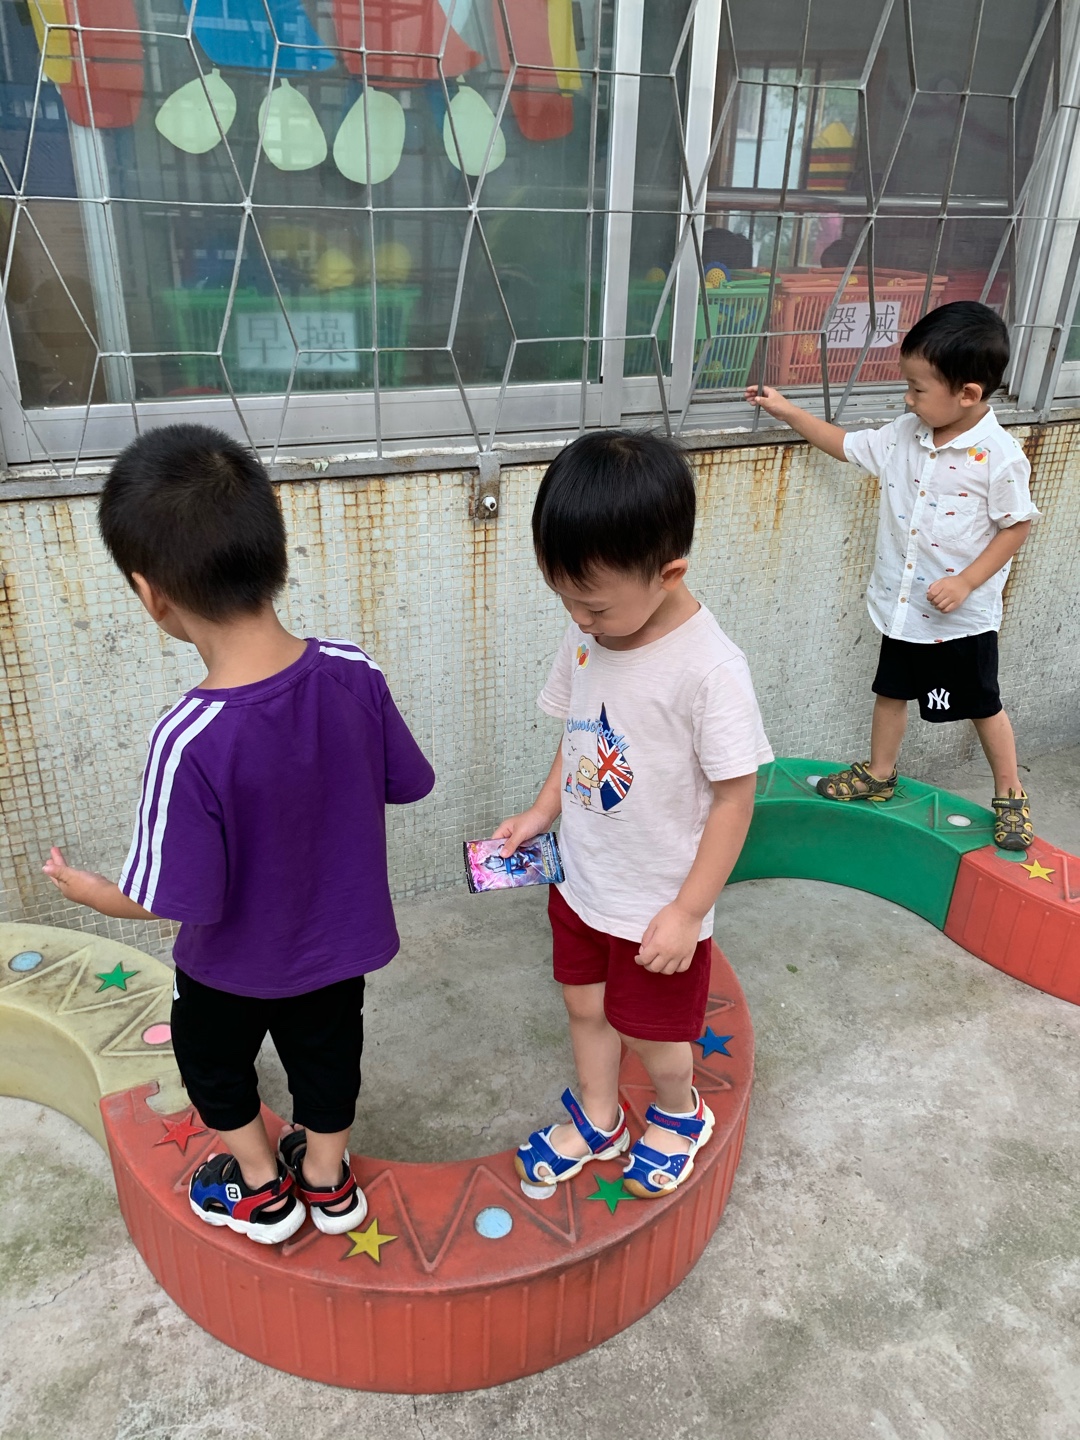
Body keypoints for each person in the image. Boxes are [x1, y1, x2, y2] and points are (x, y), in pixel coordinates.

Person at [43, 424, 434, 1244]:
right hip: (338, 954)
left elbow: (166, 897)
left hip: (229, 971)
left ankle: (260, 1188)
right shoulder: (354, 672)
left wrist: (89, 893)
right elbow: (408, 781)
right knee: (328, 1060)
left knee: (212, 1064)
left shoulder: (188, 739)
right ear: (274, 551)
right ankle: (327, 1181)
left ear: (151, 594)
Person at [495, 432, 773, 1199]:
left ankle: (680, 1115)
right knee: (584, 1006)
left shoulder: (710, 670)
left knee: (653, 1031)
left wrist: (688, 912)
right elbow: (579, 734)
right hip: (582, 880)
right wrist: (542, 810)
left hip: (657, 905)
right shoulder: (589, 635)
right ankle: (598, 1115)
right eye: (564, 598)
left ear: (669, 572)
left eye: (591, 603)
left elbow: (735, 798)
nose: (577, 618)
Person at [745, 300, 1039, 849]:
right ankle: (880, 774)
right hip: (903, 607)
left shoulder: (999, 457)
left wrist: (966, 581)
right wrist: (788, 411)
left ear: (968, 394)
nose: (908, 398)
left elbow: (1016, 526)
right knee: (891, 691)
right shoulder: (905, 434)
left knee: (982, 705)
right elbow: (844, 445)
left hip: (961, 618)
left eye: (917, 388)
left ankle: (1010, 792)